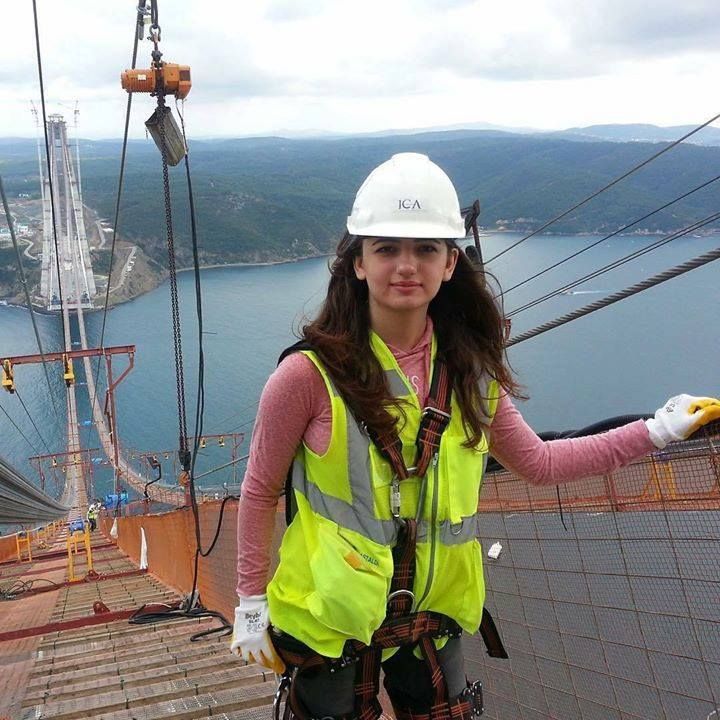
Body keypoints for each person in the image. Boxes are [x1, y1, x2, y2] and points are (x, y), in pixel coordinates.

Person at [231, 153, 720, 720]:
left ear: (449, 265)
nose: (405, 266)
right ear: (358, 264)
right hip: (330, 615)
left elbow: (539, 464)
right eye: (386, 248)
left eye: (425, 250)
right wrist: (250, 602)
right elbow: (261, 488)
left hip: (433, 609)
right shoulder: (305, 377)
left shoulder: (470, 375)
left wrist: (657, 431)